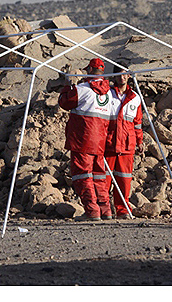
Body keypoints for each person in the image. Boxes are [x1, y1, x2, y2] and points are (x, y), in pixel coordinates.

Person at [58, 58, 112, 221]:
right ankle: (105, 210)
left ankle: (92, 211)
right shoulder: (109, 93)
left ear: (89, 70)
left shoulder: (82, 89)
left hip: (82, 139)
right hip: (100, 141)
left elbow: (64, 102)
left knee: (82, 175)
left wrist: (68, 85)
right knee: (99, 175)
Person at [105, 64, 143, 220]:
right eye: (119, 74)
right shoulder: (107, 94)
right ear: (114, 77)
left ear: (128, 76)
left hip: (127, 145)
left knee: (124, 180)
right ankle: (104, 210)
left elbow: (138, 123)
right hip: (109, 143)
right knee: (104, 180)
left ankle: (123, 211)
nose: (122, 77)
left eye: (125, 74)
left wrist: (140, 141)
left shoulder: (135, 97)